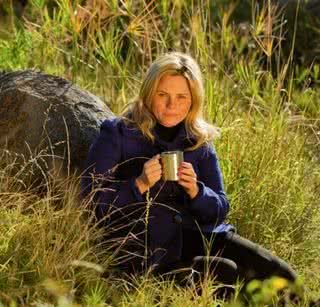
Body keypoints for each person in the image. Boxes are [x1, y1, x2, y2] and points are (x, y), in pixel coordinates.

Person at [81, 51, 297, 297]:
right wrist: (139, 184)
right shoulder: (117, 134)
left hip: (199, 236)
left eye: (182, 97)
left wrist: (197, 191)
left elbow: (220, 208)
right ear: (149, 93)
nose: (172, 106)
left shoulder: (199, 140)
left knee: (278, 272)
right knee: (226, 274)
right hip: (151, 253)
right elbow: (90, 202)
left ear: (193, 100)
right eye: (163, 95)